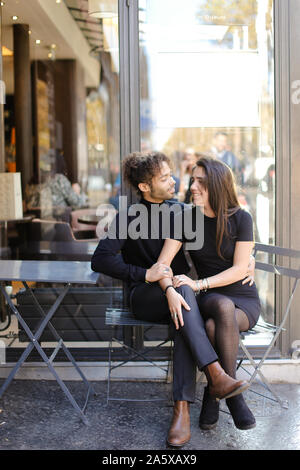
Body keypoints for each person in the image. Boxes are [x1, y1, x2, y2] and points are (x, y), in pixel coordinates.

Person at [91, 151, 254, 447]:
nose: (174, 180)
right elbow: (99, 260)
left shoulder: (182, 211)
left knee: (183, 312)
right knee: (183, 299)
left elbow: (219, 237)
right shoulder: (128, 217)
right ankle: (215, 375)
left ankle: (183, 412)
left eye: (171, 175)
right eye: (165, 177)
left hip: (182, 295)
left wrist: (248, 260)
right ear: (144, 186)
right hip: (145, 296)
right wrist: (144, 274)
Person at [157, 156, 260, 431]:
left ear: (217, 185)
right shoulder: (184, 218)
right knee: (220, 308)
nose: (193, 186)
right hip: (211, 298)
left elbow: (240, 269)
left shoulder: (241, 218)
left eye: (201, 181)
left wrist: (198, 284)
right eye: (193, 180)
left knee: (217, 322)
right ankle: (233, 399)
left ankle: (215, 394)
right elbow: (162, 265)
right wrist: (169, 286)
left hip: (243, 299)